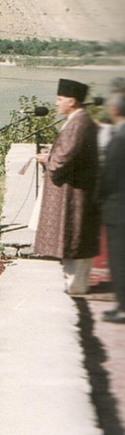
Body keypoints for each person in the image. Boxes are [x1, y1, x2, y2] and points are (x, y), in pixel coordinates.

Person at [33, 78, 102, 295]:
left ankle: (76, 291)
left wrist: (47, 161)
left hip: (75, 194)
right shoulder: (79, 120)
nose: (56, 104)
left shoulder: (79, 123)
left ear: (72, 101)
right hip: (77, 190)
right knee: (75, 240)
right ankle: (75, 287)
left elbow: (65, 158)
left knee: (75, 240)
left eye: (60, 100)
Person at [102, 92, 125, 322]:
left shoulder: (120, 137)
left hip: (119, 209)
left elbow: (110, 175)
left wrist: (98, 199)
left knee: (119, 260)